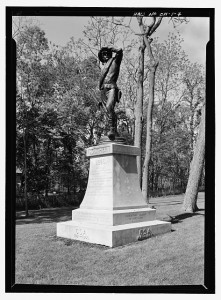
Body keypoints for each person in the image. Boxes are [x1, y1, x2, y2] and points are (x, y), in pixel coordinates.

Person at [98, 46, 123, 140]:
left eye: (107, 53)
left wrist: (109, 48)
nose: (106, 55)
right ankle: (112, 130)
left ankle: (112, 129)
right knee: (107, 112)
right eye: (103, 54)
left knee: (109, 107)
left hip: (112, 88)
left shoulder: (115, 61)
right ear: (101, 56)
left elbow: (120, 51)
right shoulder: (102, 67)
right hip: (103, 90)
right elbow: (101, 82)